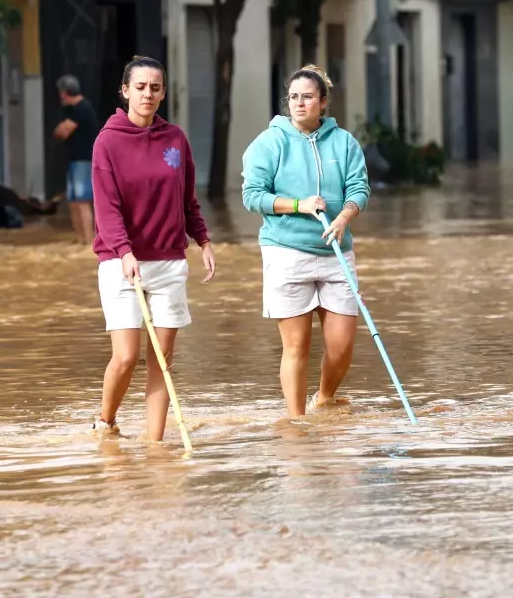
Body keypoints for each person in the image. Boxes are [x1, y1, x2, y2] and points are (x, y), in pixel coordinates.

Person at [90, 56, 216, 440]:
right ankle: (106, 422)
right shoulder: (107, 141)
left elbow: (187, 199)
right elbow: (106, 208)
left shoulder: (175, 139)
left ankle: (155, 446)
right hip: (120, 262)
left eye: (155, 88)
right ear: (125, 91)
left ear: (163, 93)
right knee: (126, 356)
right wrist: (126, 252)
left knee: (162, 361)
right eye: (140, 87)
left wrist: (203, 239)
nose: (148, 94)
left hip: (168, 263)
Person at [241, 65, 371, 417]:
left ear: (323, 102)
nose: (299, 103)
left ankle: (325, 397)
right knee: (296, 345)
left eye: (308, 97)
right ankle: (297, 423)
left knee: (342, 345)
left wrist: (344, 217)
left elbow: (359, 188)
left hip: (335, 251)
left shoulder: (344, 142)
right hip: (286, 251)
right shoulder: (269, 143)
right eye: (294, 97)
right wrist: (298, 205)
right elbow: (253, 196)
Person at [54, 75, 100, 244]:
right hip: (75, 160)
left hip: (84, 160)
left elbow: (62, 132)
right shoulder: (74, 110)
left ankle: (89, 241)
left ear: (65, 93)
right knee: (74, 202)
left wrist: (62, 128)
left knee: (82, 201)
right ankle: (80, 239)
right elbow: (60, 131)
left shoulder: (82, 108)